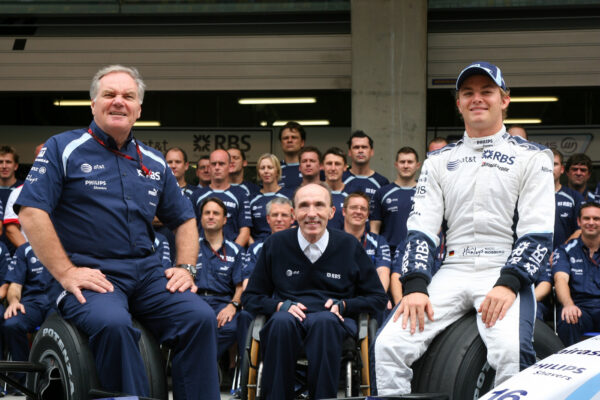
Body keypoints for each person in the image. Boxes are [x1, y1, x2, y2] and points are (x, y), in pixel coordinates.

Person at [16, 65, 220, 399]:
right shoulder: (62, 148)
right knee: (113, 325)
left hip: (148, 275)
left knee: (199, 317)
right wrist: (66, 272)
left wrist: (186, 267)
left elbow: (183, 219)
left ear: (139, 108)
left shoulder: (154, 162)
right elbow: (31, 211)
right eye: (109, 94)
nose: (118, 102)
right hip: (92, 274)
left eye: (128, 96)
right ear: (93, 103)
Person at [374, 61, 554, 395]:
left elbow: (538, 232)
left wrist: (509, 283)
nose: (477, 99)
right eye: (468, 93)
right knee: (388, 345)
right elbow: (421, 231)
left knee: (511, 352)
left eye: (487, 92)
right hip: (452, 270)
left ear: (505, 99)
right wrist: (414, 285)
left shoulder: (533, 157)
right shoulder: (438, 161)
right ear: (458, 104)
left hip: (501, 270)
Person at [242, 182, 387, 400]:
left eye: (319, 205)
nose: (312, 213)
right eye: (304, 206)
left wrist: (345, 305)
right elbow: (250, 297)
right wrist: (279, 305)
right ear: (293, 213)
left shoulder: (349, 246)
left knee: (324, 322)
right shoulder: (275, 244)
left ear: (331, 212)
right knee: (280, 323)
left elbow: (377, 298)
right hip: (288, 317)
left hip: (333, 321)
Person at [195, 197, 252, 360]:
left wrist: (233, 306)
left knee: (233, 327)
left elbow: (241, 286)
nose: (211, 216)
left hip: (223, 303)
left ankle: (201, 362)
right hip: (195, 301)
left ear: (225, 219)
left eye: (216, 213)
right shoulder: (190, 246)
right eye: (207, 213)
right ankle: (206, 366)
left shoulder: (236, 250)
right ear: (201, 218)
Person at [3, 243, 62, 386]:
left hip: (58, 301)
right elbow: (15, 285)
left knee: (57, 328)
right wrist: (14, 301)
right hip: (32, 303)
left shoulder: (65, 242)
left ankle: (59, 378)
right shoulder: (25, 249)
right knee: (12, 324)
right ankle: (24, 381)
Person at [553, 202, 600, 346]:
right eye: (586, 218)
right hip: (579, 308)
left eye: (596, 219)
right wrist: (568, 305)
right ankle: (567, 366)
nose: (591, 222)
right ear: (579, 222)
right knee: (568, 318)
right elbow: (560, 279)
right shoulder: (565, 250)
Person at [343, 192, 391, 323]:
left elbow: (383, 271)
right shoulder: (333, 239)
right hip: (342, 298)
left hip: (369, 297)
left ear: (368, 214)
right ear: (344, 211)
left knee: (383, 306)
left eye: (363, 209)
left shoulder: (378, 241)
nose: (358, 212)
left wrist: (379, 297)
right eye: (353, 207)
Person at [191, 149, 252, 247]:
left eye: (221, 164)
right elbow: (191, 228)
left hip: (231, 253)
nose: (217, 167)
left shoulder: (240, 194)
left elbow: (245, 230)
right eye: (213, 164)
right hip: (202, 253)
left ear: (229, 166)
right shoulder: (197, 195)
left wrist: (233, 252)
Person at [370, 147, 420, 253]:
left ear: (417, 165)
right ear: (396, 165)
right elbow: (374, 229)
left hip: (417, 252)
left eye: (410, 162)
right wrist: (374, 251)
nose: (406, 166)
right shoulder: (382, 193)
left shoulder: (426, 192)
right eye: (402, 162)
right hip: (389, 253)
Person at [244, 197, 295, 289]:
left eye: (284, 215)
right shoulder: (256, 249)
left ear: (292, 219)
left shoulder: (301, 246)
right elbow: (248, 283)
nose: (279, 219)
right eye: (275, 215)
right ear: (268, 219)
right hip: (264, 301)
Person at [3, 143, 44, 250]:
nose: (4, 166)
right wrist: (28, 252)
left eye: (8, 162)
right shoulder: (20, 191)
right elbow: (11, 229)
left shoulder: (70, 190)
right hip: (21, 254)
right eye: (40, 157)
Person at [249, 153, 293, 243]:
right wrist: (255, 248)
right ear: (258, 172)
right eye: (262, 168)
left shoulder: (290, 195)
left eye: (270, 167)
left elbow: (296, 224)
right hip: (258, 247)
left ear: (277, 171)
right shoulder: (252, 198)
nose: (266, 171)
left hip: (284, 242)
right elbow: (246, 229)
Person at [342, 130, 389, 199]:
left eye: (364, 147)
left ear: (372, 152)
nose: (360, 151)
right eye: (356, 147)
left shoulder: (382, 182)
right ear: (349, 152)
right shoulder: (341, 179)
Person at [0, 146, 23, 254]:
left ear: (16, 166)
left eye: (8, 162)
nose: (4, 166)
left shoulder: (25, 190)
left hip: (20, 251)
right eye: (0, 162)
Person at [323, 147, 348, 230]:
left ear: (345, 167)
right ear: (322, 166)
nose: (333, 168)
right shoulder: (312, 193)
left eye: (337, 164)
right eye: (329, 163)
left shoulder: (353, 194)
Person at [278, 121, 306, 191]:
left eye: (294, 137)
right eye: (285, 138)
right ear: (281, 143)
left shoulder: (310, 167)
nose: (289, 140)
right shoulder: (275, 169)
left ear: (302, 143)